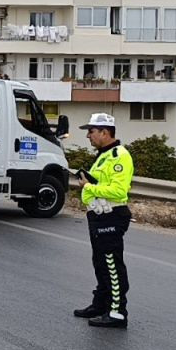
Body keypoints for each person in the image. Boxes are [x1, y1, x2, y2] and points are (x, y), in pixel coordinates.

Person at [73, 112, 135, 329]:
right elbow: (104, 182)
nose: (88, 136)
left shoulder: (119, 155)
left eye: (91, 131)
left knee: (112, 264)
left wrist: (88, 187)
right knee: (100, 263)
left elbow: (118, 190)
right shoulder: (104, 154)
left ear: (105, 132)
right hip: (98, 215)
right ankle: (101, 304)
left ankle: (117, 312)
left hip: (111, 215)